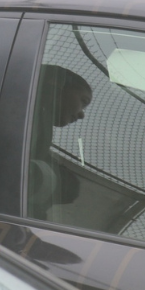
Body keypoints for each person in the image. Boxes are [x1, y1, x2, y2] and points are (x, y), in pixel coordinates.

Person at [28, 65, 93, 219]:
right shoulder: (18, 115)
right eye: (83, 101)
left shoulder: (32, 120)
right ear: (55, 84)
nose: (82, 114)